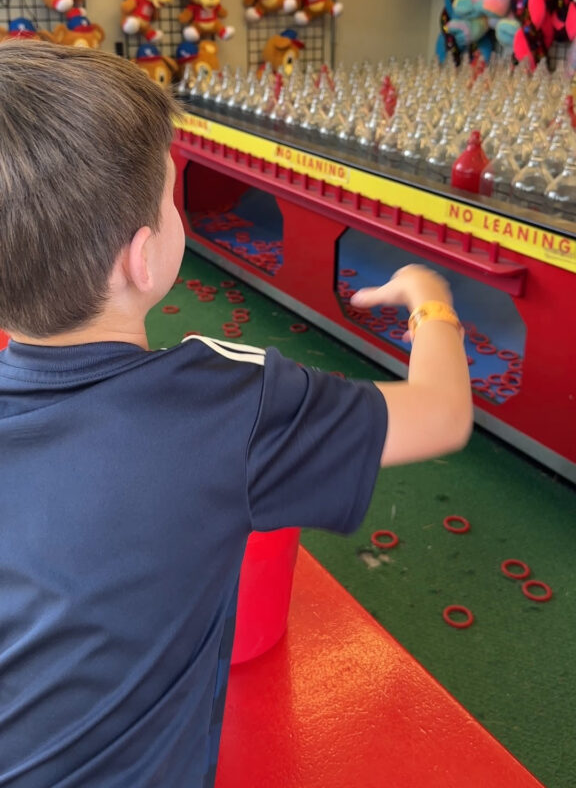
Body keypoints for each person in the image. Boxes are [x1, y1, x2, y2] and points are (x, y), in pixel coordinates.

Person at [0, 41, 473, 788]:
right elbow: (443, 413)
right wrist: (429, 298)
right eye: (171, 191)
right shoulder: (224, 403)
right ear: (144, 259)